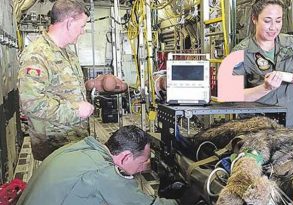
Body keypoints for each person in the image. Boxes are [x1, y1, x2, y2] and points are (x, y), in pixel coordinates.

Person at [16, 125, 178, 205]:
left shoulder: (78, 147)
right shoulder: (104, 173)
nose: (144, 168)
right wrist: (182, 199)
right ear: (126, 157)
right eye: (143, 162)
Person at [18, 0, 95, 160]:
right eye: (82, 26)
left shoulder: (68, 53)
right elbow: (31, 103)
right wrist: (75, 111)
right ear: (68, 23)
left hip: (74, 140)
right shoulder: (37, 55)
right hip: (54, 147)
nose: (83, 31)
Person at [232, 0, 293, 129]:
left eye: (278, 21)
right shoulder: (240, 52)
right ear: (254, 19)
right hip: (259, 131)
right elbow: (231, 95)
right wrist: (265, 88)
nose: (273, 27)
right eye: (267, 21)